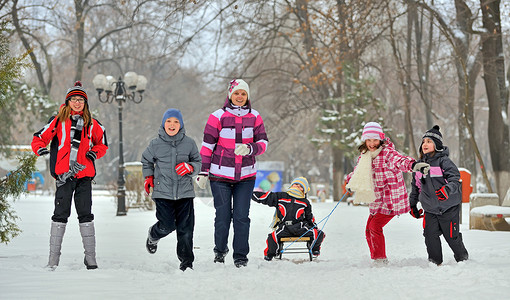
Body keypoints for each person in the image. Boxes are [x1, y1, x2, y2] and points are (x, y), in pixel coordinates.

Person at [31, 81, 108, 270]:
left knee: (86, 215)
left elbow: (103, 143)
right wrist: (41, 150)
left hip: (84, 176)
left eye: (81, 99)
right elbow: (38, 137)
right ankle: (53, 260)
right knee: (60, 215)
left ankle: (90, 258)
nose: (77, 102)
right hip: (64, 176)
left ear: (85, 103)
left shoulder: (93, 123)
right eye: (73, 99)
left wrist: (94, 153)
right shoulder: (57, 121)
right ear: (67, 102)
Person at [196, 79, 268, 268]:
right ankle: (220, 251)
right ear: (230, 94)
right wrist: (203, 172)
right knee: (223, 216)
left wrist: (250, 148)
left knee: (242, 217)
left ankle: (240, 257)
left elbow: (263, 143)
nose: (240, 97)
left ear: (247, 97)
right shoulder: (217, 117)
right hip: (220, 176)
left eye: (243, 94)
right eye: (236, 93)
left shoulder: (255, 117)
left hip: (246, 176)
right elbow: (207, 147)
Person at [345, 122, 429, 264]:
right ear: (365, 140)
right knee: (368, 230)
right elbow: (358, 172)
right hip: (376, 200)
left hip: (391, 199)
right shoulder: (365, 156)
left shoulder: (387, 153)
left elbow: (400, 160)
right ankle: (375, 257)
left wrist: (414, 165)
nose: (372, 143)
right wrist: (350, 182)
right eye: (369, 140)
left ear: (380, 139)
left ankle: (380, 259)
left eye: (375, 140)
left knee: (375, 227)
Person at [141, 108, 201, 271]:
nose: (172, 124)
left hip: (185, 193)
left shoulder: (189, 143)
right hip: (163, 193)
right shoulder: (155, 144)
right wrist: (148, 177)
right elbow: (146, 161)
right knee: (167, 225)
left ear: (181, 124)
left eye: (176, 122)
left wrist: (190, 167)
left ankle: (186, 263)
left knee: (186, 230)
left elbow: (198, 162)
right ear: (163, 124)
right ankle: (154, 234)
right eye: (169, 121)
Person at [409, 125, 469, 265]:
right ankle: (435, 262)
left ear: (437, 145)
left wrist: (446, 190)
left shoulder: (444, 161)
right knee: (430, 236)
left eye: (429, 141)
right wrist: (412, 204)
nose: (425, 144)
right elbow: (416, 187)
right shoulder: (419, 165)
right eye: (424, 142)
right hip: (430, 209)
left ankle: (462, 258)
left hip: (449, 207)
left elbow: (455, 179)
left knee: (452, 237)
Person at [251, 177, 325, 261]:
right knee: (272, 237)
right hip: (285, 228)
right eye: (295, 184)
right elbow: (266, 197)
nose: (297, 186)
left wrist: (314, 226)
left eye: (300, 186)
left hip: (300, 228)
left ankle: (314, 249)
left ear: (304, 190)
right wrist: (250, 193)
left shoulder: (305, 202)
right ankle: (271, 254)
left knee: (319, 234)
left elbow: (309, 217)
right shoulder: (281, 196)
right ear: (291, 186)